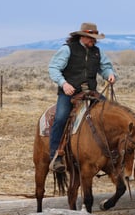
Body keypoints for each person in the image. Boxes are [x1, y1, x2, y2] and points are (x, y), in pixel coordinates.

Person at [48, 22, 117, 172]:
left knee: (111, 113)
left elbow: (105, 67)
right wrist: (64, 84)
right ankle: (55, 155)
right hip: (70, 93)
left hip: (90, 93)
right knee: (60, 118)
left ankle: (111, 153)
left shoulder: (97, 52)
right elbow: (54, 68)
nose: (94, 41)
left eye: (95, 38)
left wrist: (110, 74)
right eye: (91, 38)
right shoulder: (67, 50)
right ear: (82, 36)